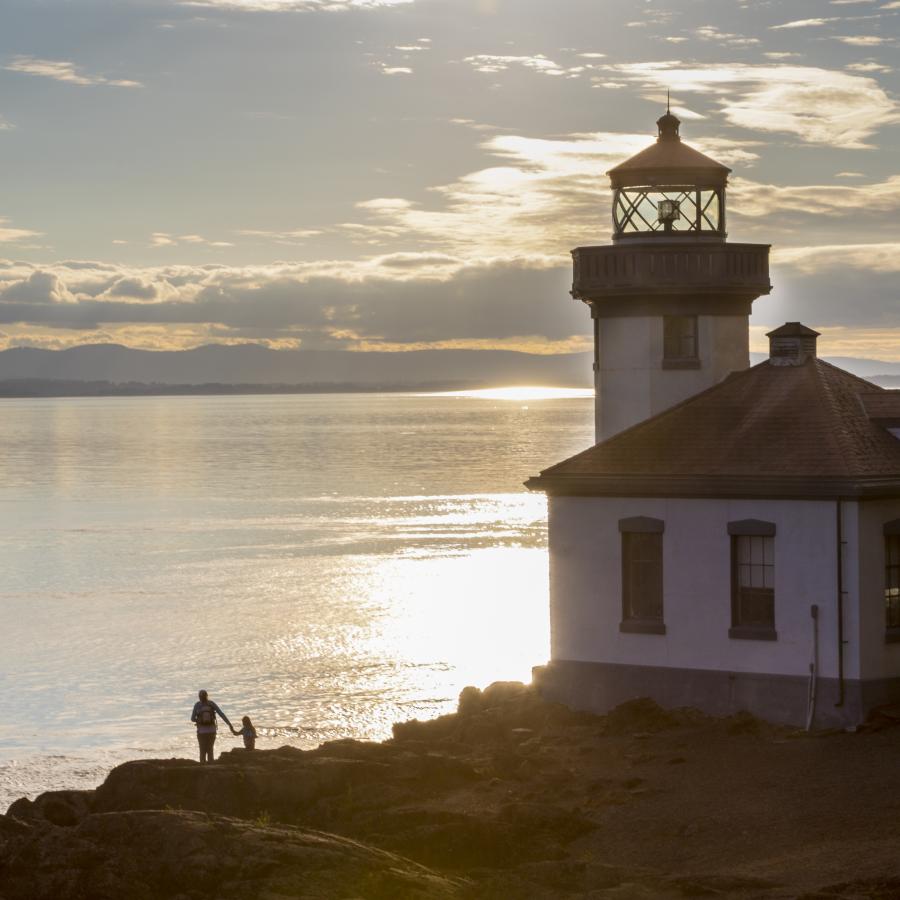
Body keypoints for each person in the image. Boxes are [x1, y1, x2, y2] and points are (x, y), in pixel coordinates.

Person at [190, 689, 234, 763]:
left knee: (202, 750)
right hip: (212, 731)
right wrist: (229, 724)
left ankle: (203, 768)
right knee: (210, 750)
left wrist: (199, 720)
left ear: (199, 697)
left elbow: (192, 719)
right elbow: (221, 714)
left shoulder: (197, 705)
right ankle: (211, 765)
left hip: (201, 732)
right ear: (207, 696)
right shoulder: (211, 704)